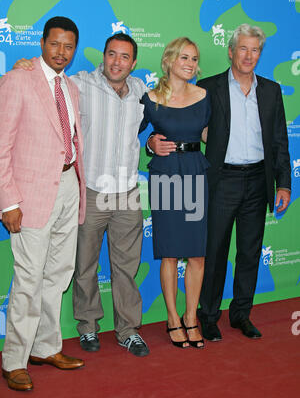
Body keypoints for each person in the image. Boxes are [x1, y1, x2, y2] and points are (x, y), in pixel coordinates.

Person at [12, 33, 149, 356]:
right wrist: (26, 66)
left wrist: (156, 141)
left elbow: (169, 112)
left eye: (125, 57)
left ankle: (128, 329)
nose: (117, 62)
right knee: (83, 264)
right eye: (112, 54)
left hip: (128, 192)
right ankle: (87, 327)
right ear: (103, 56)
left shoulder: (142, 92)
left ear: (134, 63)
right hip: (89, 190)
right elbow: (44, 82)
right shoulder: (78, 85)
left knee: (127, 267)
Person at [0, 16, 86, 391]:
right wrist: (8, 202)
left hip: (68, 185)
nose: (61, 53)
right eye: (55, 44)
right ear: (42, 43)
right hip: (30, 196)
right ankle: (14, 359)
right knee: (30, 279)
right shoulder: (18, 80)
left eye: (68, 46)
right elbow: (1, 145)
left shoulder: (71, 86)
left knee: (58, 273)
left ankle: (45, 347)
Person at [196, 24, 291, 340]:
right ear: (231, 51)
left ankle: (241, 315)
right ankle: (208, 316)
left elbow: (279, 140)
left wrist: (284, 184)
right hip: (221, 180)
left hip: (257, 180)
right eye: (243, 49)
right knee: (215, 251)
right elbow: (190, 128)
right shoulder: (208, 88)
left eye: (255, 50)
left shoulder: (271, 90)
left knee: (249, 252)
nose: (249, 55)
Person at [141, 37, 211, 348]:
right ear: (169, 60)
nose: (190, 64)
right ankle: (172, 318)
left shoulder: (206, 96)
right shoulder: (150, 98)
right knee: (169, 253)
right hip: (166, 176)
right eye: (184, 57)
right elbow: (130, 135)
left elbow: (214, 135)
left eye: (194, 59)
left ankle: (191, 317)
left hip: (195, 173)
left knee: (197, 253)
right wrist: (148, 143)